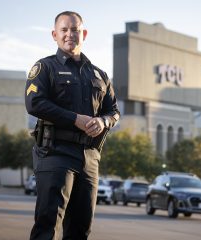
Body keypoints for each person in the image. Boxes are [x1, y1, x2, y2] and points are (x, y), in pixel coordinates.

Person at [25, 11, 120, 240]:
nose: (70, 34)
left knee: (81, 229)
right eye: (64, 30)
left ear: (83, 33)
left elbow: (114, 111)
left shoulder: (100, 74)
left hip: (89, 157)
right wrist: (75, 119)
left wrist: (103, 121)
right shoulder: (45, 67)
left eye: (75, 29)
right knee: (48, 226)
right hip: (55, 151)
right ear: (55, 35)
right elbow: (34, 103)